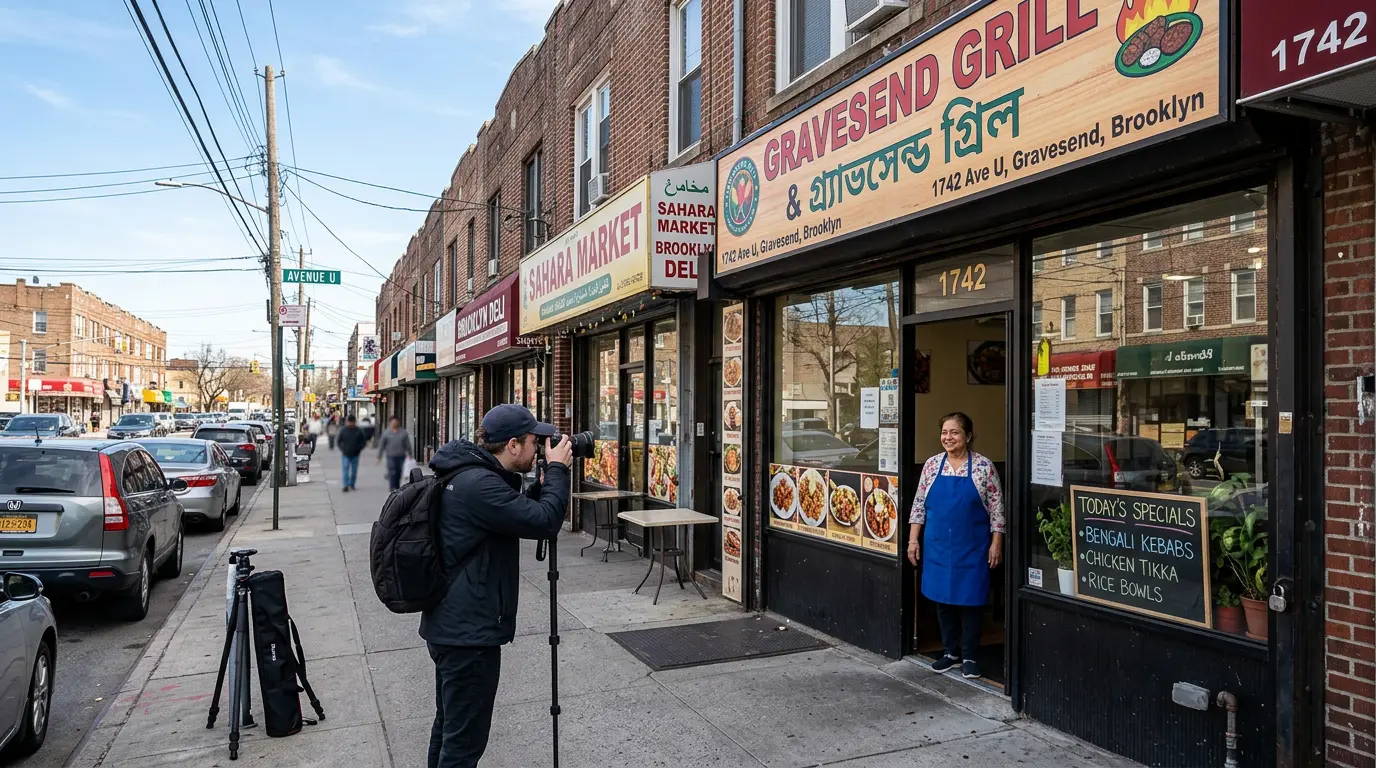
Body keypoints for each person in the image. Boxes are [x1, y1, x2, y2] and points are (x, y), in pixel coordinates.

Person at [422, 404, 572, 768]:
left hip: (455, 625)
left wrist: (542, 482)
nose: (539, 449)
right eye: (535, 442)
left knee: (450, 727)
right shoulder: (479, 484)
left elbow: (515, 510)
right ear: (513, 445)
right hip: (467, 634)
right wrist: (557, 471)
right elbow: (544, 521)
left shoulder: (474, 474)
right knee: (463, 744)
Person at [907, 412, 1004, 680]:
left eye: (955, 432)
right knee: (943, 600)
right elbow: (918, 506)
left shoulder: (984, 467)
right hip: (938, 545)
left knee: (971, 602)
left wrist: (997, 544)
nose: (948, 438)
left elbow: (997, 511)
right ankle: (950, 652)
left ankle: (970, 655)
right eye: (944, 432)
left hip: (972, 547)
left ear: (968, 436)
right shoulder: (931, 465)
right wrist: (913, 539)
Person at [378, 417, 413, 491]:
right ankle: (392, 486)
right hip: (390, 455)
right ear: (390, 423)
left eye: (396, 422)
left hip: (401, 455)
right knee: (391, 470)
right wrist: (379, 455)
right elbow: (382, 444)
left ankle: (397, 486)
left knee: (399, 471)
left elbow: (407, 444)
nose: (394, 424)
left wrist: (410, 453)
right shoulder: (386, 432)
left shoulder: (403, 432)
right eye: (393, 422)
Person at [336, 415, 366, 491]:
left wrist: (359, 449)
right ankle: (345, 485)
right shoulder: (343, 430)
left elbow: (363, 441)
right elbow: (339, 441)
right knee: (345, 469)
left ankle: (352, 484)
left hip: (355, 454)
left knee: (354, 471)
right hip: (346, 453)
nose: (350, 424)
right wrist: (342, 449)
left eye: (352, 422)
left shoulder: (358, 431)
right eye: (349, 422)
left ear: (354, 422)